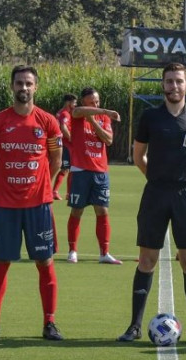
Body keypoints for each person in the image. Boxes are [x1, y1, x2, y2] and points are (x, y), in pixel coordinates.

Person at [117, 62, 186, 346]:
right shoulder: (150, 117)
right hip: (155, 194)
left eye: (179, 81)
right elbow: (139, 156)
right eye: (169, 81)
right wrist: (157, 179)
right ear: (162, 85)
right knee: (147, 259)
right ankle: (135, 326)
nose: (174, 86)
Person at [0, 65, 64, 341]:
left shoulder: (48, 121)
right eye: (19, 83)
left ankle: (49, 323)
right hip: (6, 205)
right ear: (12, 87)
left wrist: (42, 185)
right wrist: (4, 181)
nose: (23, 88)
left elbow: (56, 159)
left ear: (36, 87)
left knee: (45, 262)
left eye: (28, 83)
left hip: (38, 205)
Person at [65, 87, 122, 264]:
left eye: (97, 102)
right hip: (81, 171)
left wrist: (95, 119)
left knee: (102, 210)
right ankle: (72, 250)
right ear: (83, 102)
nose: (96, 105)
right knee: (77, 210)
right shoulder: (77, 113)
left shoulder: (103, 118)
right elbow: (79, 112)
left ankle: (104, 253)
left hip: (100, 172)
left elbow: (108, 140)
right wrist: (101, 112)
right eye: (92, 102)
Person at [52, 94, 77, 201]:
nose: (75, 105)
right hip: (66, 145)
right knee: (66, 169)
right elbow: (63, 127)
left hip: (63, 144)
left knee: (69, 169)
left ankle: (69, 193)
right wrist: (71, 139)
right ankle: (55, 192)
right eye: (74, 102)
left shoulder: (60, 112)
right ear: (68, 102)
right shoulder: (65, 114)